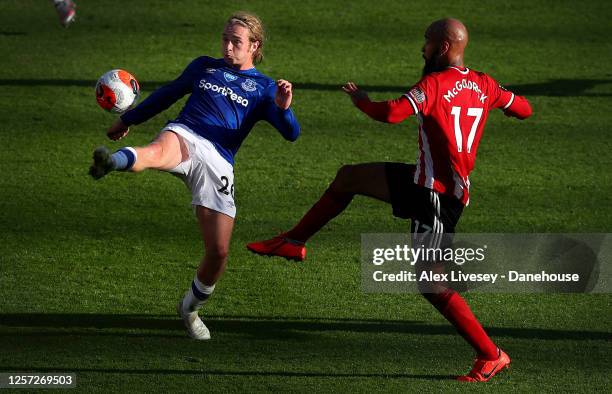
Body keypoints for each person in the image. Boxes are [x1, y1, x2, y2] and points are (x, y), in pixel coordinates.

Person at [247, 18, 532, 382]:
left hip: (436, 197)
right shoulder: (484, 83)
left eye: (427, 42)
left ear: (443, 47)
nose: (423, 48)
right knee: (348, 177)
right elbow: (524, 108)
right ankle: (293, 241)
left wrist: (363, 102)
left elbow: (392, 113)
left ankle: (491, 355)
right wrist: (503, 104)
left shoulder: (433, 84)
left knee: (431, 282)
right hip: (422, 181)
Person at [89, 12, 300, 340]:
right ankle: (112, 161)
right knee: (157, 153)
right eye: (225, 39)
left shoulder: (264, 88)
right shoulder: (204, 66)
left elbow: (292, 135)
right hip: (185, 134)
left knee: (218, 252)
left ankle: (189, 308)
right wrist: (128, 118)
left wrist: (284, 108)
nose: (228, 47)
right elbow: (169, 93)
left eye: (236, 42)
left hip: (219, 160)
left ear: (254, 46)